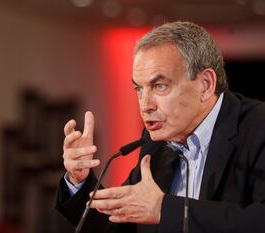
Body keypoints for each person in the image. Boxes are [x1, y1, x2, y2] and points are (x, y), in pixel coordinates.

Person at [56, 21, 265, 233]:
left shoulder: (258, 127)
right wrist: (78, 179)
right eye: (139, 88)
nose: (145, 105)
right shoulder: (156, 143)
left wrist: (164, 210)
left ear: (205, 85)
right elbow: (114, 227)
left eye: (160, 86)